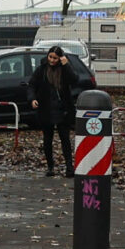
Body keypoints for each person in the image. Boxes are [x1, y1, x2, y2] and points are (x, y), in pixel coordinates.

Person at [31, 46, 81, 176]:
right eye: (50, 57)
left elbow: (75, 80)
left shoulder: (64, 69)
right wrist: (32, 99)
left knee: (65, 139)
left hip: (62, 110)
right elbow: (32, 85)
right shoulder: (42, 69)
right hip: (46, 109)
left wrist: (66, 65)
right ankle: (50, 167)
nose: (52, 60)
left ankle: (69, 167)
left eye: (55, 58)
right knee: (48, 139)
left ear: (60, 58)